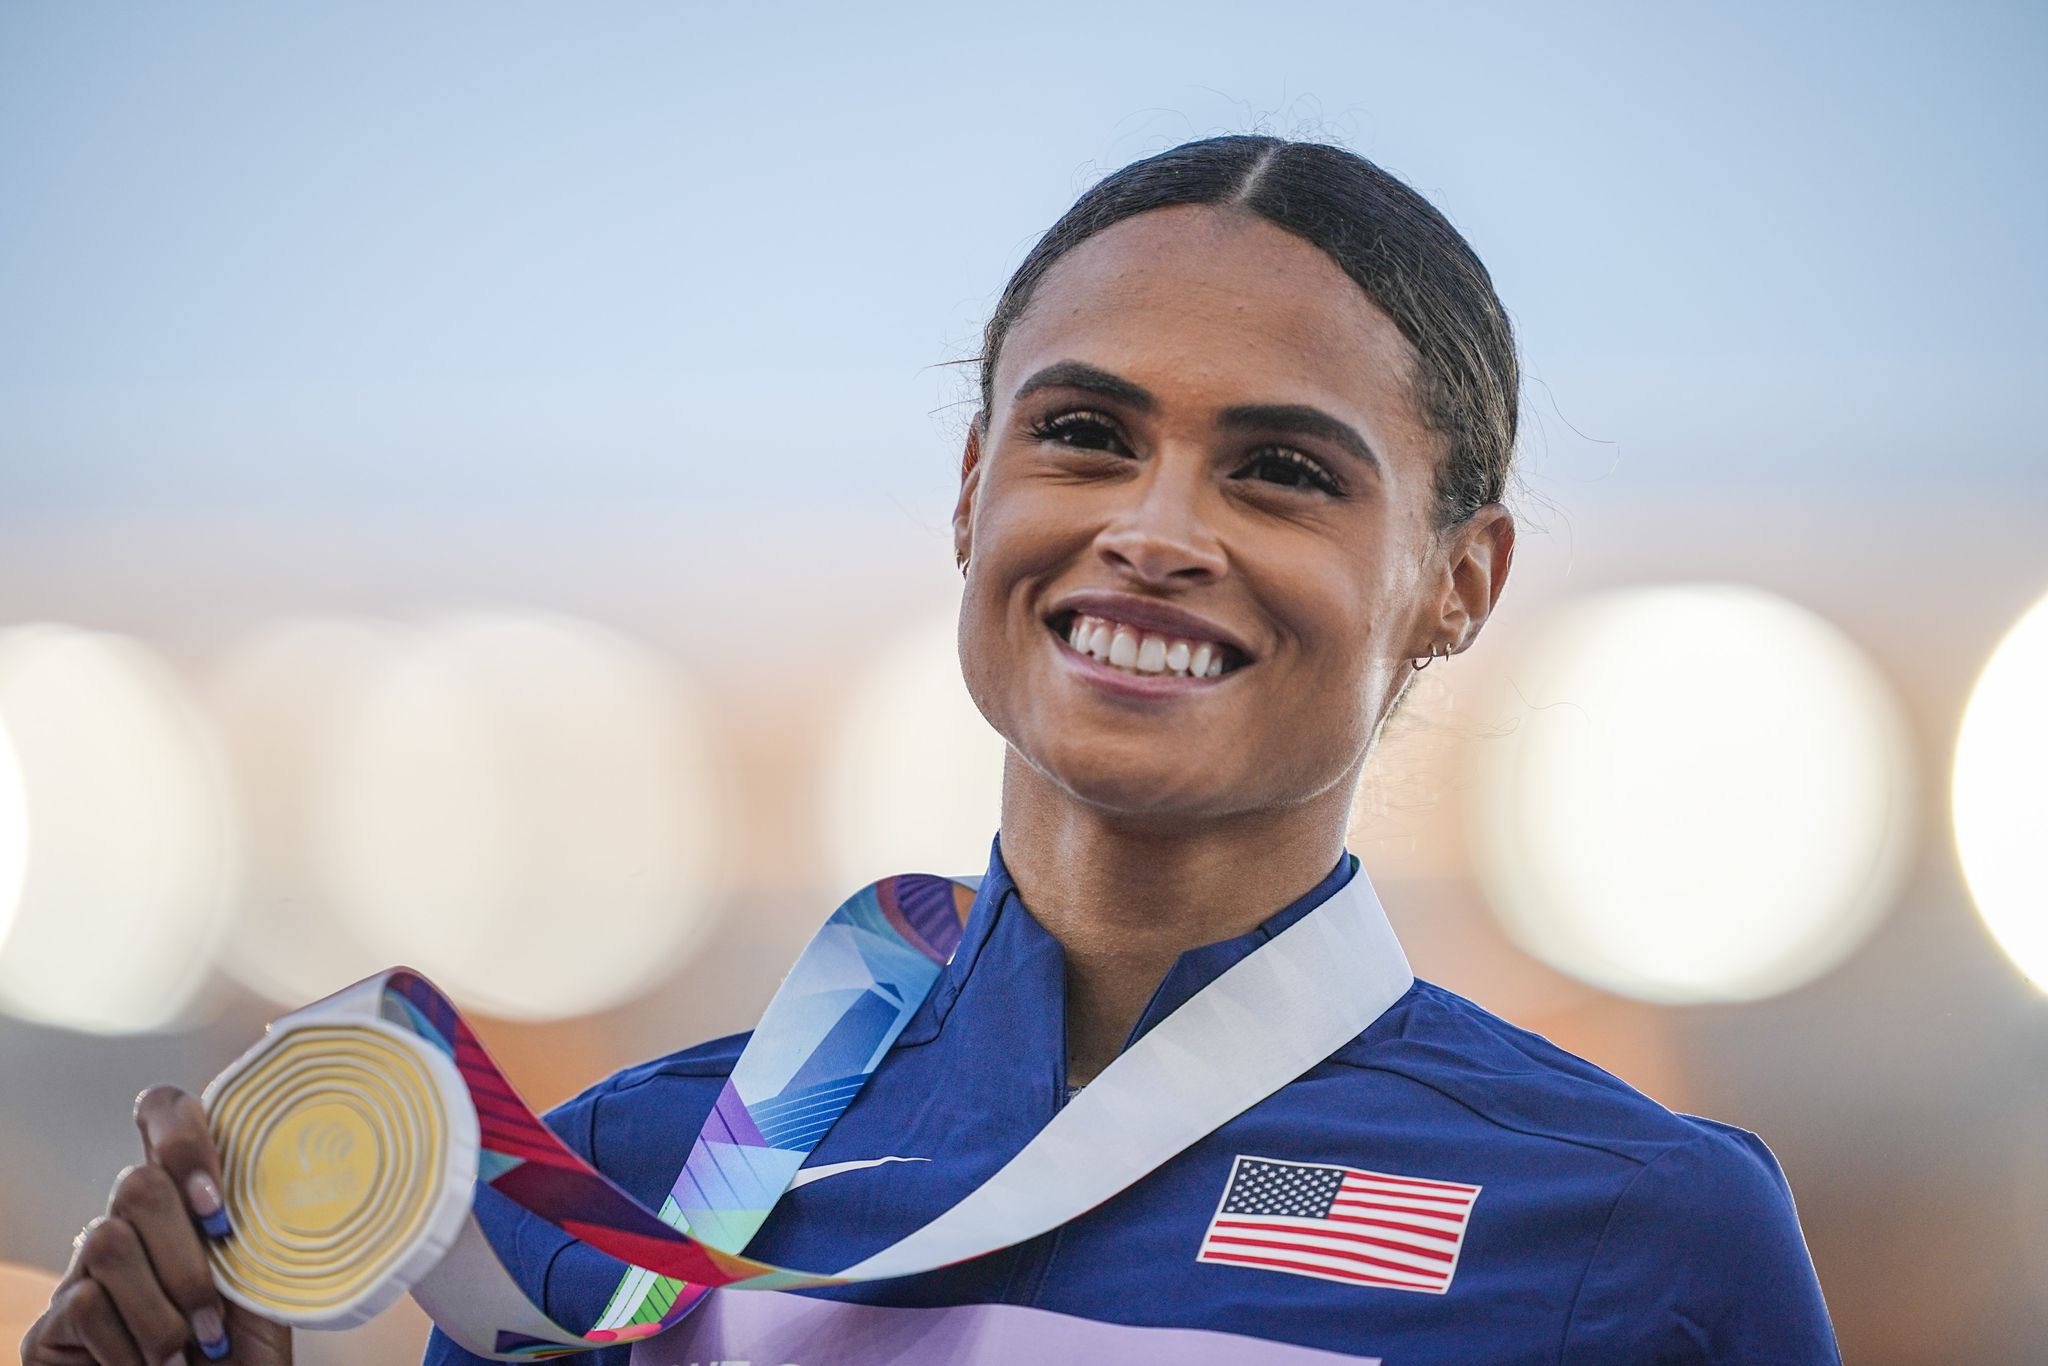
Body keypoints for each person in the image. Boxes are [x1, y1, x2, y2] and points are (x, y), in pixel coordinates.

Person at [21, 134, 1842, 1366]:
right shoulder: (615, 1188)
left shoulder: (1637, 1235)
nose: (1155, 526)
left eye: (1280, 468)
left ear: (1461, 579)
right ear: (974, 489)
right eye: (1083, 434)